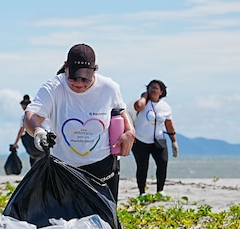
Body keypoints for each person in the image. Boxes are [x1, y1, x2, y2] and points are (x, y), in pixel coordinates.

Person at [24, 43, 135, 200]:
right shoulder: (53, 88)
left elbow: (121, 110)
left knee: (104, 223)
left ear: (94, 70)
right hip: (64, 169)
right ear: (65, 67)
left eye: (85, 79)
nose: (79, 84)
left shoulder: (109, 88)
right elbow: (31, 115)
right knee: (65, 223)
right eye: (73, 78)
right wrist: (37, 131)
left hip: (103, 169)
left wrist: (130, 132)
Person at [132, 79, 179, 195]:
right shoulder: (144, 102)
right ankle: (142, 192)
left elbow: (169, 124)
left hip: (158, 140)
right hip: (140, 140)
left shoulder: (165, 107)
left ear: (161, 91)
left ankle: (160, 191)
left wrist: (174, 142)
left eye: (156, 88)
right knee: (142, 166)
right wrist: (144, 96)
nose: (153, 90)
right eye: (150, 87)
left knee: (162, 163)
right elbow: (137, 106)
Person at [11, 94, 44, 168]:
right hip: (41, 139)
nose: (24, 107)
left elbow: (21, 130)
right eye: (23, 105)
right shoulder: (38, 113)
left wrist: (15, 143)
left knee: (34, 160)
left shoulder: (26, 116)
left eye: (25, 105)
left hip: (34, 139)